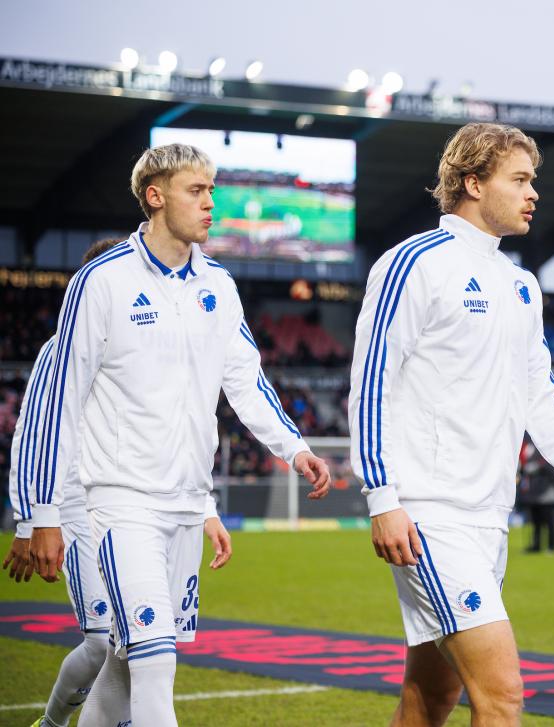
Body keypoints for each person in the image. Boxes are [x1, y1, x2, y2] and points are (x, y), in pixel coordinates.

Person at [27, 143, 332, 727]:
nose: (211, 202)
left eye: (212, 190)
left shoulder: (219, 284)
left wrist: (294, 448)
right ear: (156, 196)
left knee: (124, 665)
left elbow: (247, 382)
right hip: (122, 503)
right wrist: (41, 514)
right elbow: (59, 401)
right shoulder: (101, 281)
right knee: (155, 660)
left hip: (187, 506)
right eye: (197, 190)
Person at [348, 122, 554, 726]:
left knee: (431, 695)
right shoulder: (412, 265)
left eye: (533, 180)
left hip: (489, 516)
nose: (533, 193)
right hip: (428, 514)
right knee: (501, 693)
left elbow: (540, 394)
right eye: (519, 180)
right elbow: (371, 385)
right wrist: (382, 498)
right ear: (473, 183)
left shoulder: (520, 285)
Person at [3, 239, 120, 727]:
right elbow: (32, 432)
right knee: (101, 640)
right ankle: (50, 725)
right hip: (74, 504)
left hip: (127, 503)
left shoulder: (137, 342)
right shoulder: (62, 349)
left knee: (137, 640)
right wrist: (29, 521)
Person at [518, 439, 554, 553]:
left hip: (546, 495)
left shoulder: (543, 454)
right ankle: (536, 546)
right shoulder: (527, 454)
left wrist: (532, 468)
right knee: (535, 521)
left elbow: (549, 471)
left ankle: (551, 546)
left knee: (549, 521)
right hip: (533, 495)